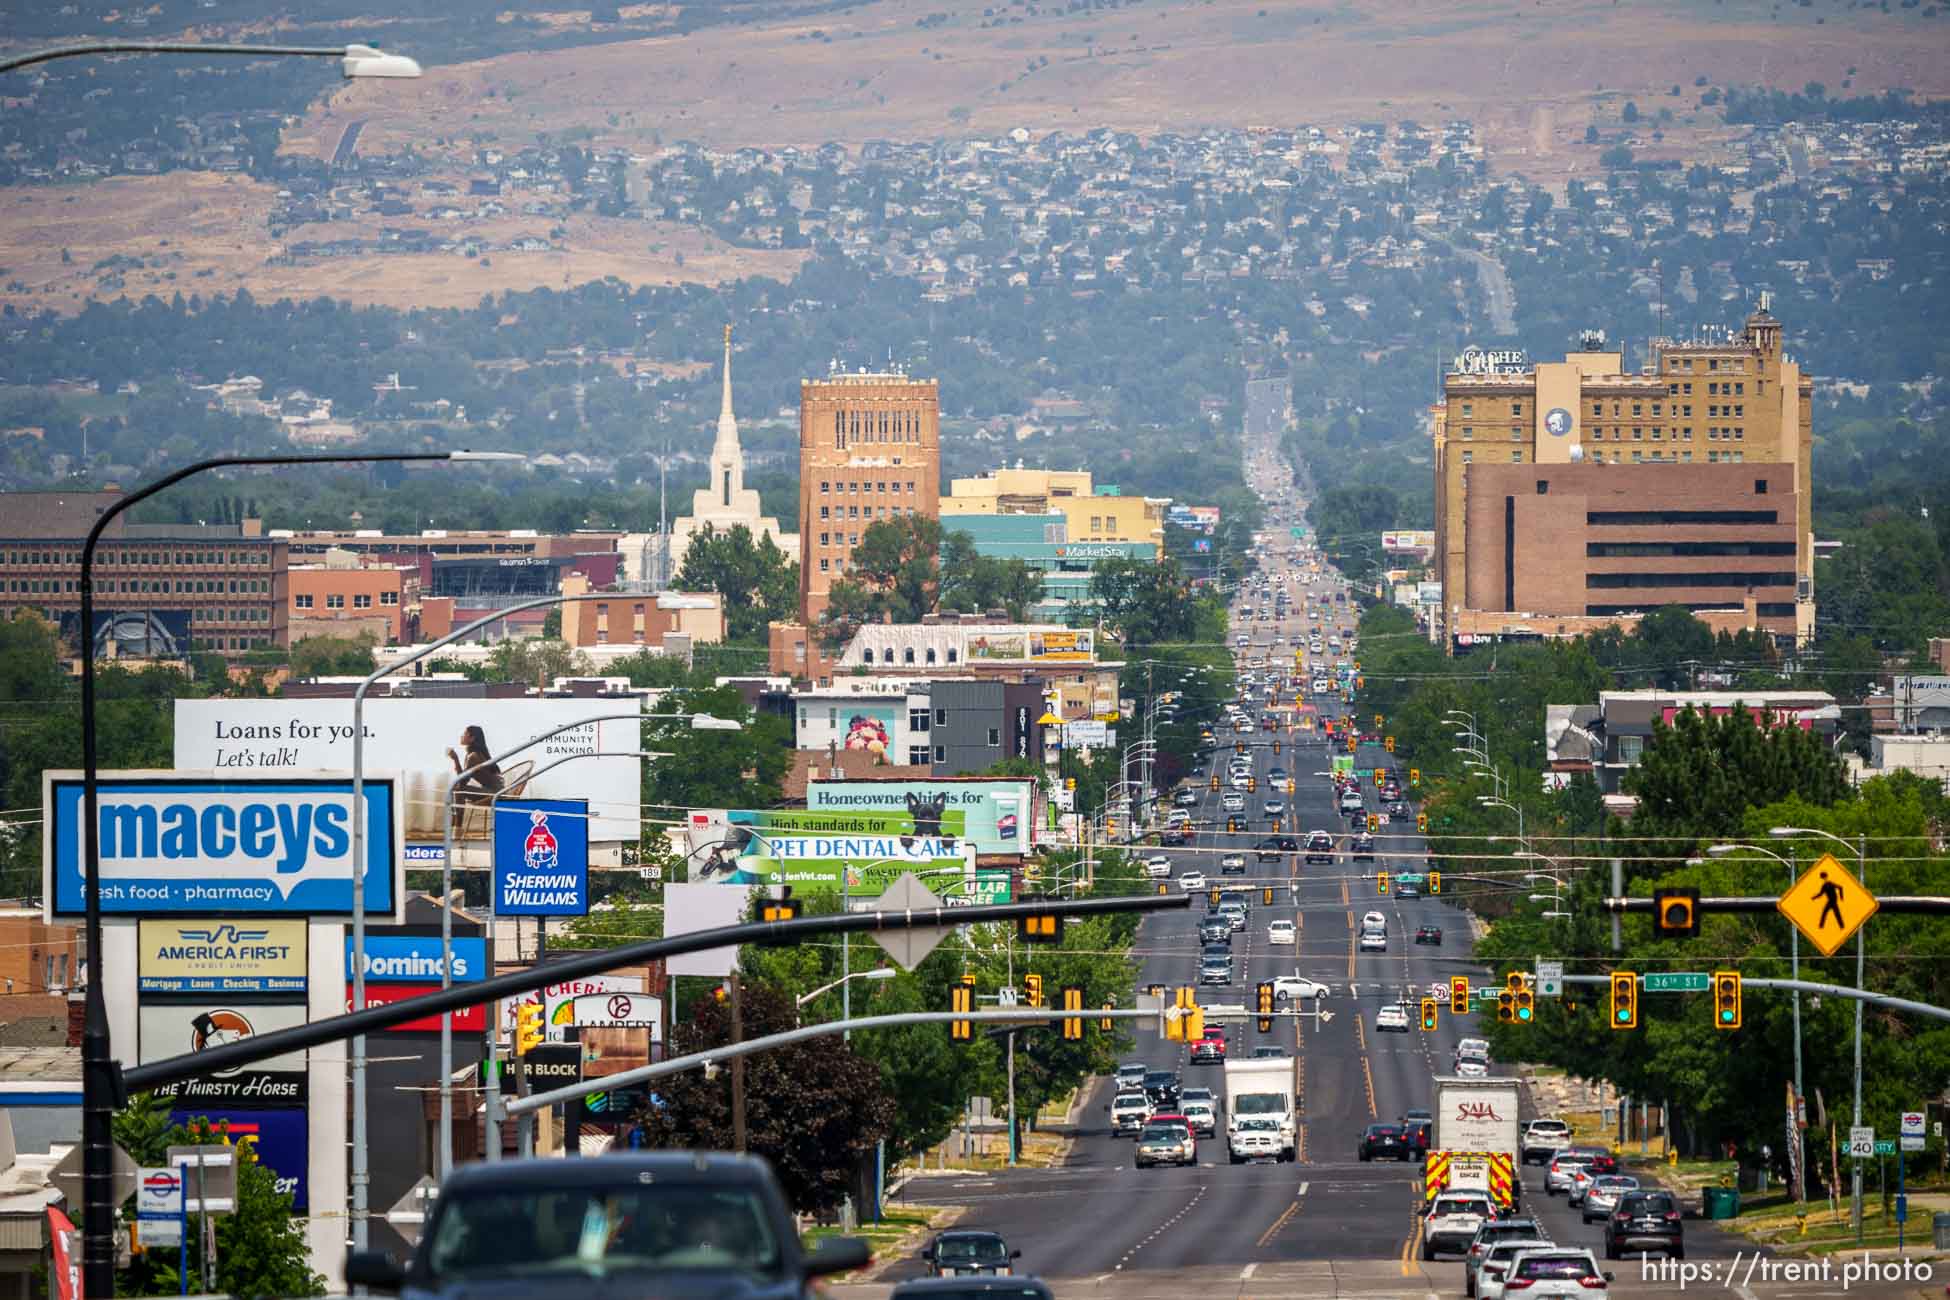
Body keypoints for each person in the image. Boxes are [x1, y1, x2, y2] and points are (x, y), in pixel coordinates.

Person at [446, 724, 504, 836]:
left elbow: (462, 781)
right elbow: (462, 780)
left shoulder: (474, 756)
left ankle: (456, 829)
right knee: (457, 789)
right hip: (492, 791)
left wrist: (455, 759)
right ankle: (456, 828)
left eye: (464, 734)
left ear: (472, 738)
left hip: (496, 794)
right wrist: (456, 760)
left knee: (458, 790)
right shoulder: (472, 755)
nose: (461, 736)